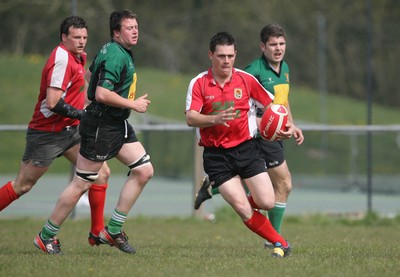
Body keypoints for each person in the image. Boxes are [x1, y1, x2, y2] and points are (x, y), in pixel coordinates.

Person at [33, 9, 154, 255]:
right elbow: (100, 93)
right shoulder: (116, 56)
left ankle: (114, 229)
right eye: (129, 28)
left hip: (117, 123)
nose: (135, 31)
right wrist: (133, 104)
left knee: (143, 170)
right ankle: (46, 236)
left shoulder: (111, 50)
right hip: (102, 126)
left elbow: (89, 76)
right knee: (81, 183)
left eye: (136, 27)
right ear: (116, 32)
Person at [0, 15, 110, 247]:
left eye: (84, 37)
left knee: (101, 173)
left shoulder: (78, 56)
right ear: (63, 37)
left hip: (71, 131)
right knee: (23, 185)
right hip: (47, 133)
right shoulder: (61, 59)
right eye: (76, 37)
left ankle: (97, 232)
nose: (81, 41)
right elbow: (52, 102)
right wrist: (83, 114)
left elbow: (81, 80)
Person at [194, 24, 304, 248]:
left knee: (276, 191)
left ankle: (214, 188)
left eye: (282, 44)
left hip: (273, 132)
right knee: (283, 183)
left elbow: (280, 103)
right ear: (262, 46)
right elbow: (244, 102)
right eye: (273, 44)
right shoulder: (252, 71)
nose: (278, 48)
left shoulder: (285, 69)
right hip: (259, 136)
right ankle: (275, 238)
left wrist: (290, 124)